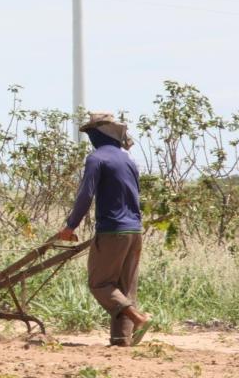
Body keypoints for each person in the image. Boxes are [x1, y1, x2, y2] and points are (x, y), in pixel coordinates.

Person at [57, 112, 151, 346]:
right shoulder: (128, 159)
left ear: (99, 133)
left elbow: (85, 195)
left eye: (90, 133)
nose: (89, 138)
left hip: (112, 230)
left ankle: (138, 318)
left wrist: (70, 226)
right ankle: (122, 340)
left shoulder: (96, 159)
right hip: (134, 231)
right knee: (124, 288)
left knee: (100, 283)